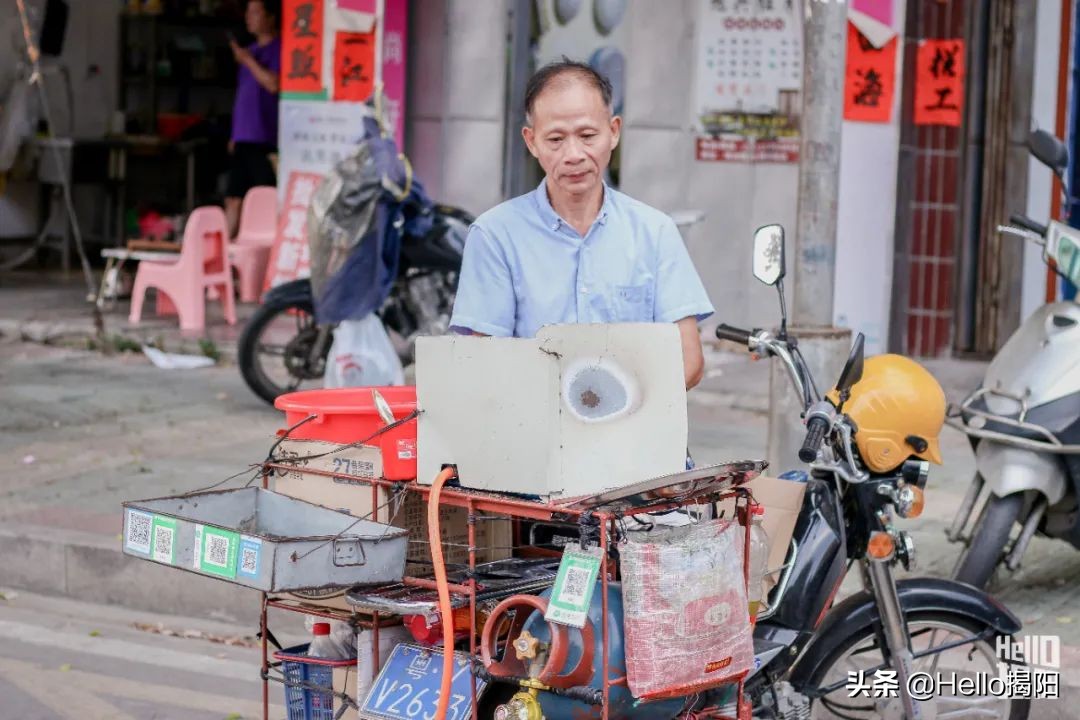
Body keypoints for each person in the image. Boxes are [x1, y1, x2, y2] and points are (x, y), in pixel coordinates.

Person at [449, 59, 714, 389]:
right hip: (533, 432)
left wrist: (619, 409)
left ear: (614, 131)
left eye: (588, 135)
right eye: (556, 140)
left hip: (633, 428)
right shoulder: (495, 235)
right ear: (531, 142)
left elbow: (688, 361)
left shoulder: (655, 232)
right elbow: (484, 362)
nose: (573, 154)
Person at [225, 0, 281, 237]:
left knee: (264, 198)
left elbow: (274, 84)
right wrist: (234, 134)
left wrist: (247, 60)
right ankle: (226, 255)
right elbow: (243, 99)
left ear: (271, 18)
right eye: (248, 13)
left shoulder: (278, 49)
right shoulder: (251, 52)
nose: (249, 17)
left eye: (256, 12)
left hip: (264, 138)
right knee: (233, 198)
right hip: (243, 137)